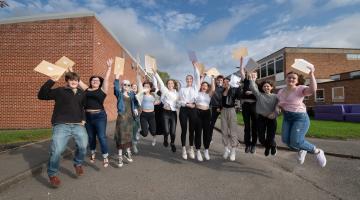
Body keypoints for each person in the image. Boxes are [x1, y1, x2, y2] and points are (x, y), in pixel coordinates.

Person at [38, 72, 88, 188]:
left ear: (78, 81)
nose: (73, 82)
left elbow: (82, 107)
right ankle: (52, 174)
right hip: (61, 124)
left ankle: (78, 164)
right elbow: (42, 95)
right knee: (56, 151)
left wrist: (84, 119)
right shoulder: (60, 91)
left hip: (78, 124)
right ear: (67, 81)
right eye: (71, 80)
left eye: (75, 80)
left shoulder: (81, 93)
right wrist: (52, 79)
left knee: (83, 146)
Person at [277, 68, 327, 167]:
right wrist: (277, 108)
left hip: (299, 118)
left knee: (296, 141)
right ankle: (302, 149)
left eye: (294, 78)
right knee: (285, 140)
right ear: (286, 79)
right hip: (287, 117)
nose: (291, 79)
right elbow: (279, 102)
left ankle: (317, 151)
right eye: (289, 77)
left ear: (297, 81)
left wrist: (311, 74)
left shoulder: (300, 89)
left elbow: (312, 90)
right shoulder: (281, 91)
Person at [75, 58, 112, 168]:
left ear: (100, 83)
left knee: (101, 137)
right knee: (91, 137)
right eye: (93, 80)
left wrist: (109, 68)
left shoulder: (102, 91)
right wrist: (70, 70)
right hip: (87, 116)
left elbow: (106, 79)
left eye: (97, 80)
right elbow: (78, 81)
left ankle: (105, 156)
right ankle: (93, 153)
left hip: (99, 116)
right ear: (90, 82)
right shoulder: (86, 89)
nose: (95, 81)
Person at [248, 72, 278, 156]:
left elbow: (279, 107)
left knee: (270, 137)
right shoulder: (259, 95)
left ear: (271, 87)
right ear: (262, 88)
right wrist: (251, 79)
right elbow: (253, 88)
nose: (266, 87)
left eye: (268, 86)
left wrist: (274, 113)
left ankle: (272, 146)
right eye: (264, 86)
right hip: (261, 118)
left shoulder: (276, 97)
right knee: (261, 138)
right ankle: (268, 147)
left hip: (272, 119)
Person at [113, 73, 140, 167]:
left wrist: (136, 108)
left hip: (130, 118)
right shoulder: (119, 94)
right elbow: (116, 88)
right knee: (121, 137)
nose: (127, 86)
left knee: (129, 136)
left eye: (128, 85)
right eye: (125, 84)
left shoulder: (132, 94)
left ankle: (127, 152)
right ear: (122, 85)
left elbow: (136, 102)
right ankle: (120, 157)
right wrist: (117, 78)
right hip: (122, 118)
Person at [178, 62, 201, 160]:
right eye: (187, 79)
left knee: (192, 130)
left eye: (190, 79)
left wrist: (195, 67)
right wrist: (186, 104)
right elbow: (179, 101)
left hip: (193, 110)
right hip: (184, 109)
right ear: (185, 80)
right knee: (184, 129)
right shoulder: (182, 89)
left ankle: (191, 148)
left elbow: (197, 76)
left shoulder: (196, 87)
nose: (188, 80)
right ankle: (183, 148)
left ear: (192, 80)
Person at [154, 71, 179, 153]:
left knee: (173, 132)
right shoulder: (165, 90)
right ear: (167, 85)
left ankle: (172, 143)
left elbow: (179, 103)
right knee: (166, 131)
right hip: (165, 113)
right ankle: (165, 139)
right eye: (168, 83)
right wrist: (155, 73)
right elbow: (160, 82)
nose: (170, 84)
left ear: (174, 85)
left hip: (173, 114)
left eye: (172, 83)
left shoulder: (177, 94)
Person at [193, 74, 216, 161]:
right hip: (197, 112)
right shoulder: (197, 93)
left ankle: (206, 150)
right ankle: (198, 151)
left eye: (206, 85)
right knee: (198, 132)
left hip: (206, 113)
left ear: (207, 87)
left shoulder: (208, 94)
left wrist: (212, 78)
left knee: (207, 133)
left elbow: (213, 89)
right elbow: (198, 84)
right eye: (203, 85)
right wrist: (203, 77)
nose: (204, 86)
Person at [135, 69, 159, 147]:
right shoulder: (141, 95)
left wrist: (154, 75)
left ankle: (154, 138)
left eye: (147, 86)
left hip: (152, 115)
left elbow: (155, 84)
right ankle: (139, 131)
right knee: (145, 134)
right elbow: (139, 82)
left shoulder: (153, 95)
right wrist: (138, 75)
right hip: (144, 115)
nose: (146, 87)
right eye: (144, 86)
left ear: (150, 88)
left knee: (153, 131)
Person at [239, 58, 258, 154]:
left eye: (255, 74)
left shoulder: (258, 85)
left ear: (256, 76)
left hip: (255, 106)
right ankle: (247, 144)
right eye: (251, 74)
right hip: (246, 105)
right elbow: (241, 70)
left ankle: (254, 144)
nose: (253, 75)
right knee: (247, 126)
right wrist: (241, 62)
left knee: (255, 126)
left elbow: (260, 95)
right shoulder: (245, 81)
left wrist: (252, 91)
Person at [221, 77, 242, 161]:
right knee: (224, 131)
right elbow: (220, 101)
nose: (225, 83)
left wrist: (239, 87)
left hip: (231, 110)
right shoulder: (221, 90)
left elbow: (239, 97)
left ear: (230, 82)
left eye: (227, 82)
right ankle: (226, 149)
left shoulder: (234, 90)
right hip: (223, 111)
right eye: (224, 82)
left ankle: (233, 151)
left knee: (233, 131)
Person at [209, 75, 225, 143]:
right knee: (212, 123)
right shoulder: (213, 87)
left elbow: (224, 99)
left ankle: (225, 141)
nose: (219, 81)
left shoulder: (224, 88)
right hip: (214, 107)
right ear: (216, 80)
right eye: (218, 80)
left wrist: (220, 107)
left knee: (225, 124)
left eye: (221, 80)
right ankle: (210, 138)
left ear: (223, 81)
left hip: (222, 108)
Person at [131, 83, 141, 153]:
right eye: (133, 86)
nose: (134, 87)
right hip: (128, 114)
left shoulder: (139, 95)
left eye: (135, 87)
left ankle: (134, 145)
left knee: (136, 129)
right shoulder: (128, 94)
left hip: (136, 115)